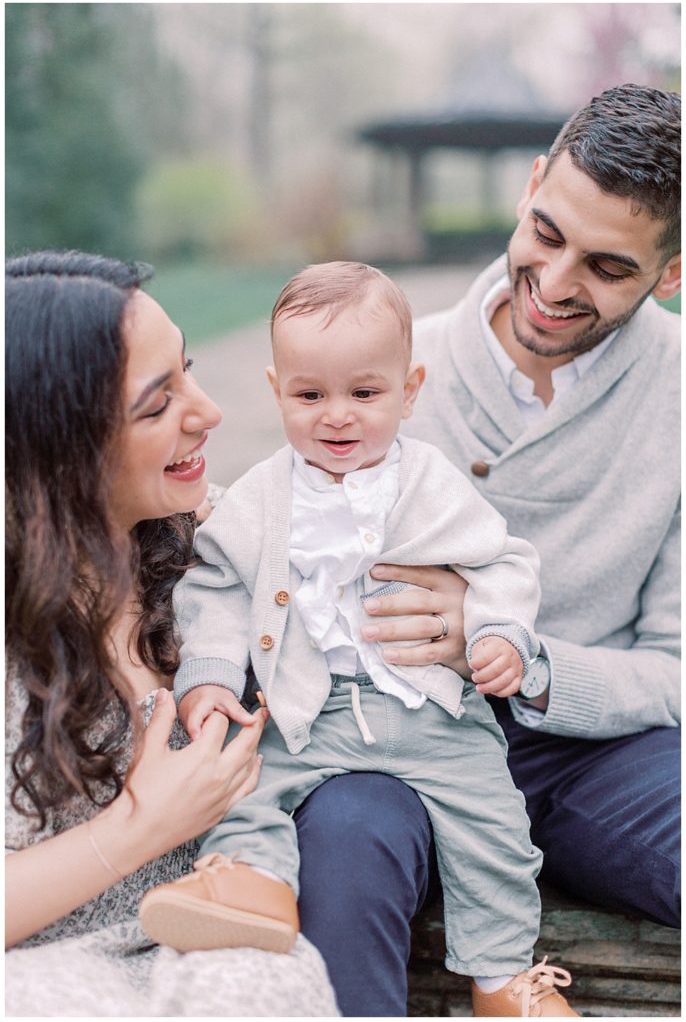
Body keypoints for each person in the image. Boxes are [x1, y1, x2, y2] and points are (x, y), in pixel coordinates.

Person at [293, 82, 679, 1015]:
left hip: (594, 752)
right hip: (394, 743)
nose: (553, 284)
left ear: (672, 273)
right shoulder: (386, 367)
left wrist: (520, 656)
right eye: (546, 234)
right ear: (532, 182)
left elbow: (676, 669)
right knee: (341, 852)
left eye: (608, 268)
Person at [138, 260, 579, 1018]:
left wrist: (498, 629)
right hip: (311, 712)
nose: (336, 416)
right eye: (310, 396)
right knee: (247, 788)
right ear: (278, 391)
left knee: (498, 833)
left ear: (408, 391)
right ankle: (253, 882)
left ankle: (503, 978)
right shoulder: (263, 496)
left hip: (434, 715)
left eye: (364, 395)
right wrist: (209, 675)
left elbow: (503, 561)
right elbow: (215, 583)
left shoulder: (430, 483)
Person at [5, 250, 339, 1018]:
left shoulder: (224, 537)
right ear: (58, 452)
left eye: (186, 370)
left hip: (218, 942)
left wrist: (456, 604)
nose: (208, 411)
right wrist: (140, 826)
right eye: (157, 405)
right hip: (44, 970)